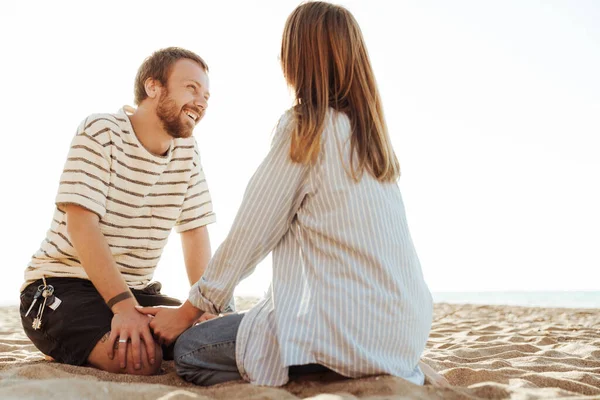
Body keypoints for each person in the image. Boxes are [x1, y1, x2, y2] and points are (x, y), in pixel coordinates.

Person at [140, 1, 434, 387]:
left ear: (295, 59)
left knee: (191, 351)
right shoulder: (373, 142)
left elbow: (252, 231)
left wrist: (190, 311)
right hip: (403, 334)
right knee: (251, 324)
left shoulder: (305, 128)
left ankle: (318, 374)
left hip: (344, 332)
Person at [19, 47, 226, 376]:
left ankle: (94, 341)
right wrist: (124, 308)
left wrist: (201, 307)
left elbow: (194, 229)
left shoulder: (187, 151)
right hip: (63, 285)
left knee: (216, 340)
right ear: (153, 86)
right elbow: (81, 224)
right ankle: (73, 342)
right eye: (191, 88)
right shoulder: (101, 131)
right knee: (139, 360)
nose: (201, 101)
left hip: (138, 290)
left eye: (206, 95)